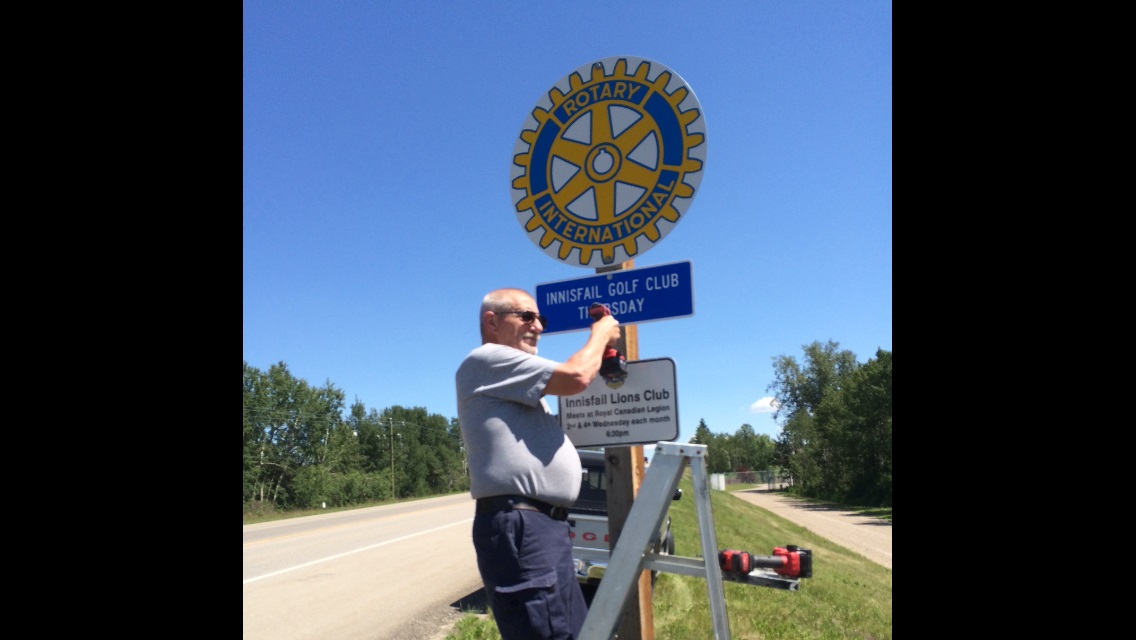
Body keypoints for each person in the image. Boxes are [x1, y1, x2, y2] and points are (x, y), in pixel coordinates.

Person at [455, 287, 621, 640]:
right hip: (523, 525)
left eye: (540, 319)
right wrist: (602, 332)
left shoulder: (514, 380)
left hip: (544, 527)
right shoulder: (487, 359)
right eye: (526, 316)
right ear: (492, 321)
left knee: (572, 632)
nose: (538, 326)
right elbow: (576, 376)